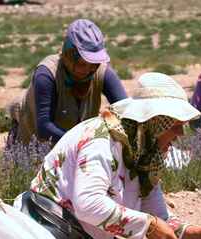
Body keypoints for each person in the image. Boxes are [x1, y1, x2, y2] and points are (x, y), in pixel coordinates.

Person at [17, 72, 201, 239]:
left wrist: (196, 234)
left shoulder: (143, 152)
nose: (181, 135)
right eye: (175, 126)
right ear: (156, 124)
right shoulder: (101, 142)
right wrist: (148, 225)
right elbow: (88, 204)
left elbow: (157, 213)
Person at [7, 19, 128, 147]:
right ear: (69, 55)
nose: (88, 70)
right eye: (82, 63)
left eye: (93, 64)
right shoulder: (47, 74)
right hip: (34, 137)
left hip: (77, 141)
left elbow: (127, 111)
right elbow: (44, 127)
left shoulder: (102, 72)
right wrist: (84, 141)